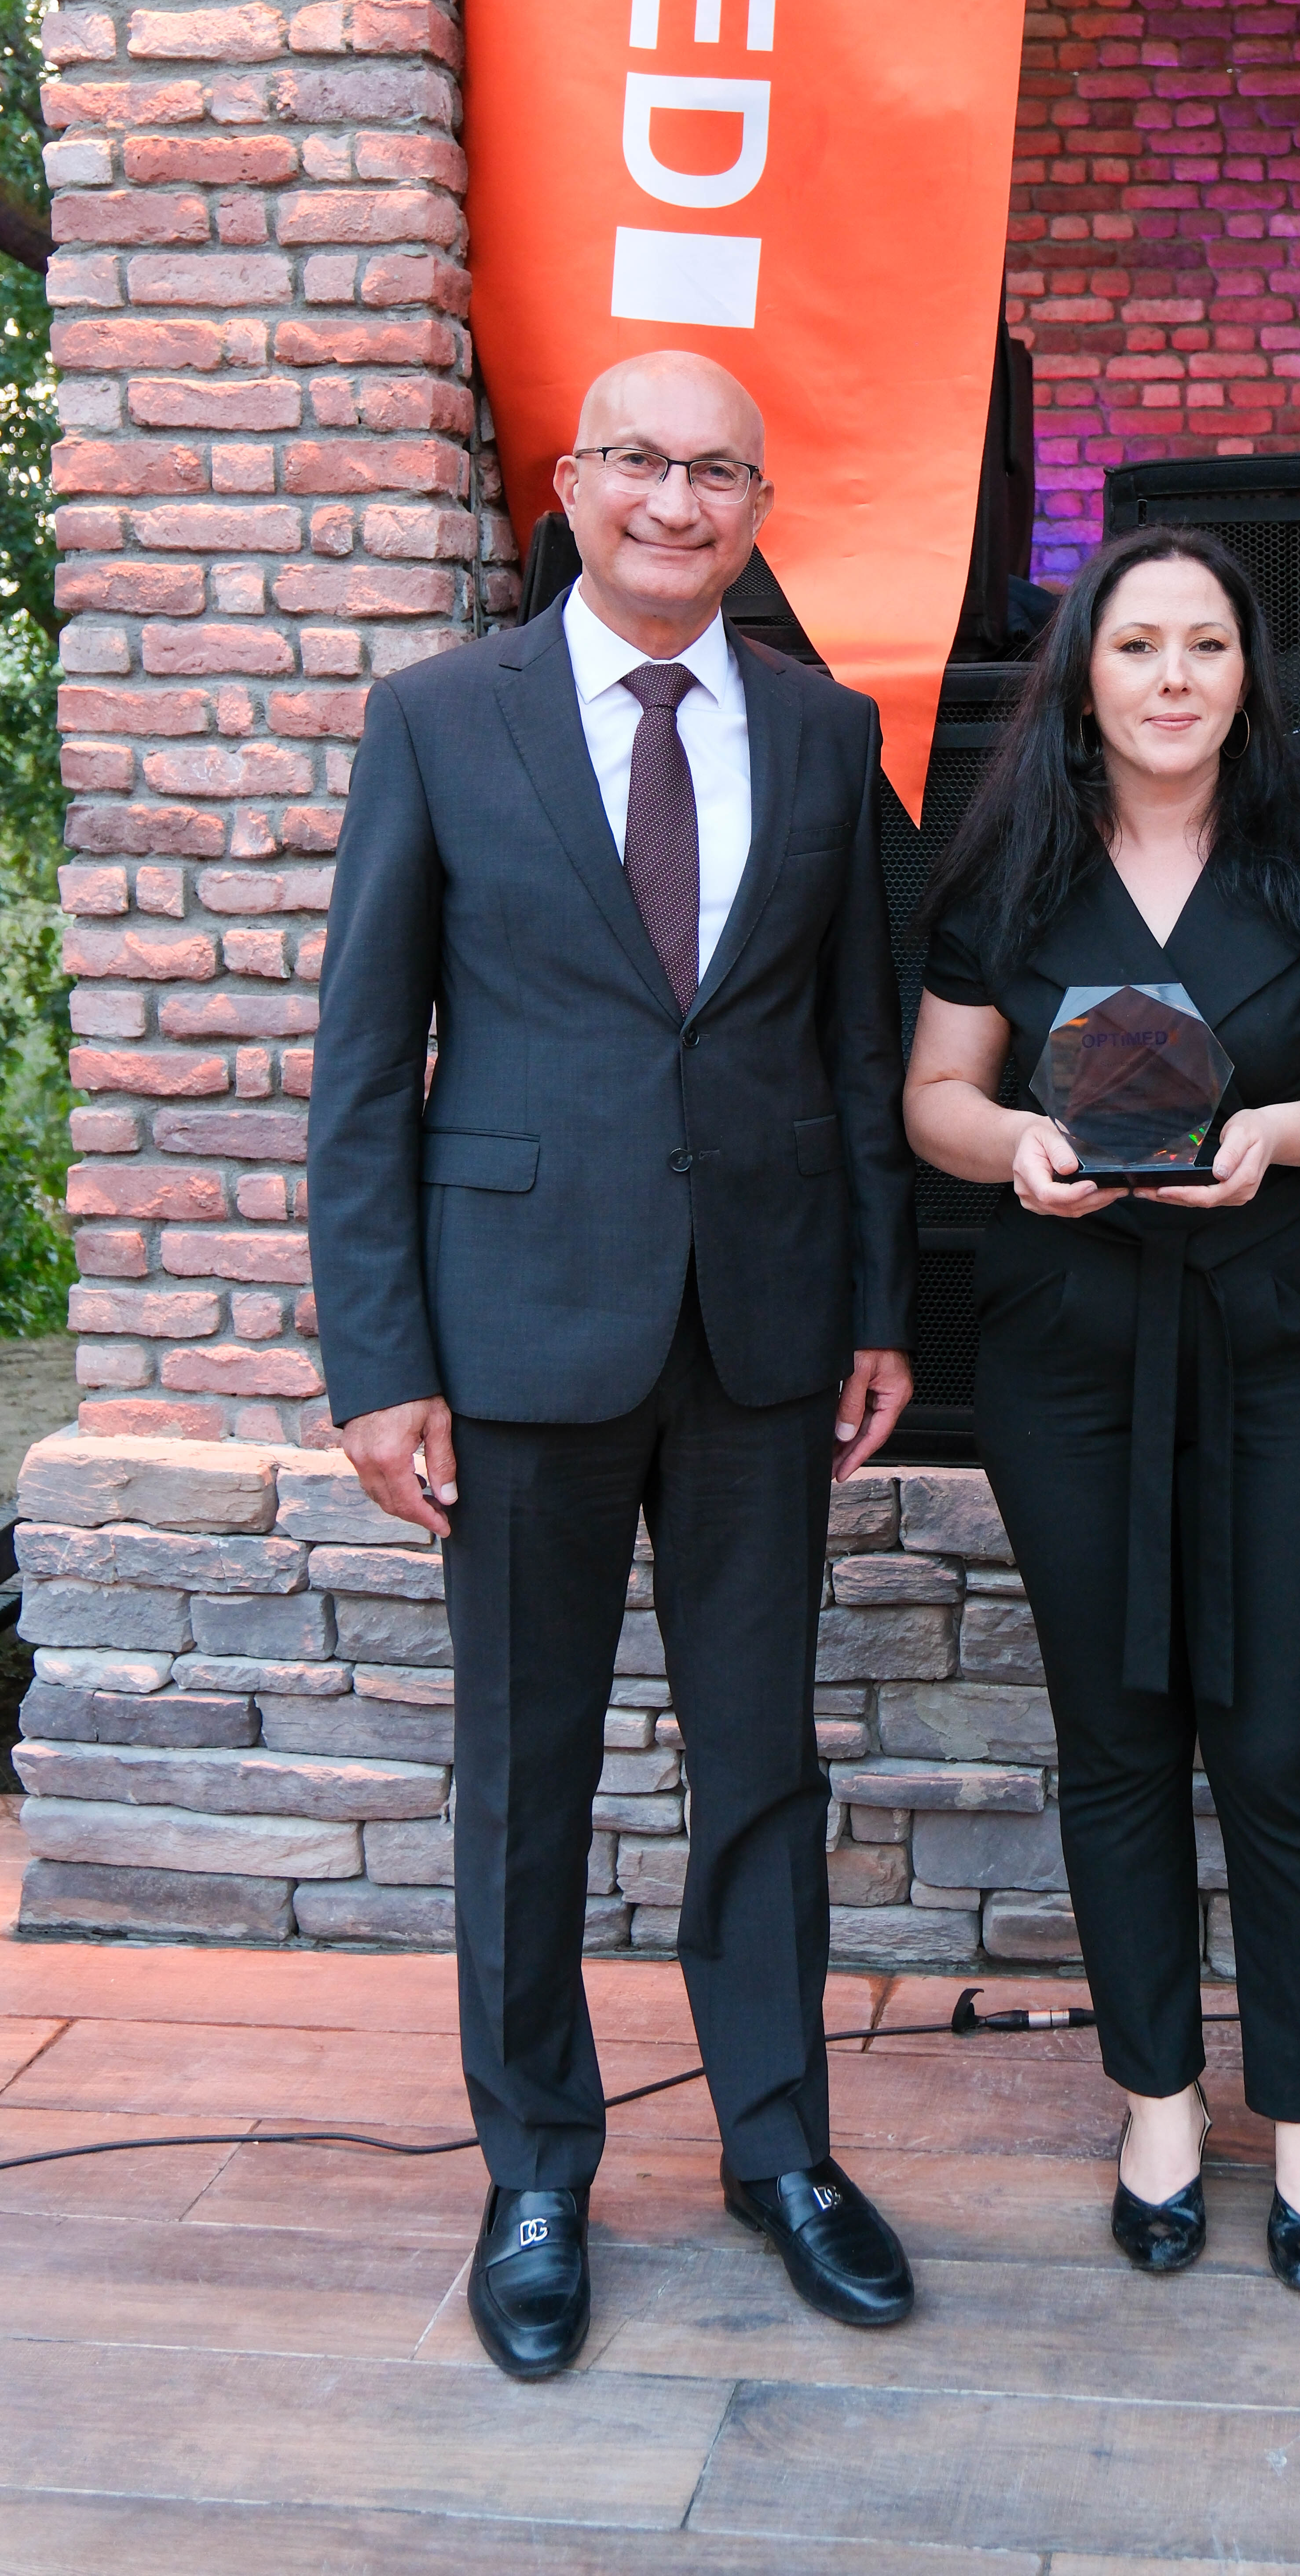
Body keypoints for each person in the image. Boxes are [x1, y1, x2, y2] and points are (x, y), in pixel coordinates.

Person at [308, 347, 921, 2382]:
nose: (677, 499)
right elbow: (361, 1066)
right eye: (641, 462)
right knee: (525, 1776)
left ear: (759, 507)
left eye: (718, 470)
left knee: (760, 1762)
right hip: (512, 1333)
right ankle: (537, 2173)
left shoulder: (824, 731)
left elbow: (854, 1050)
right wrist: (377, 1362)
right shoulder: (438, 719)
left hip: (760, 1331)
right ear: (571, 485)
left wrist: (878, 1309)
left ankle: (781, 2153)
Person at [904, 528, 1300, 2294]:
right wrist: (1015, 1147)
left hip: (1277, 1346)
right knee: (1117, 1735)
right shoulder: (1012, 864)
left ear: (1247, 673)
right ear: (1084, 676)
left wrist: (1277, 1132)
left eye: (1207, 643)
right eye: (1138, 645)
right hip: (1067, 1350)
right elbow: (934, 1094)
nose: (1175, 677)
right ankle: (1155, 2097)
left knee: (1277, 1737)